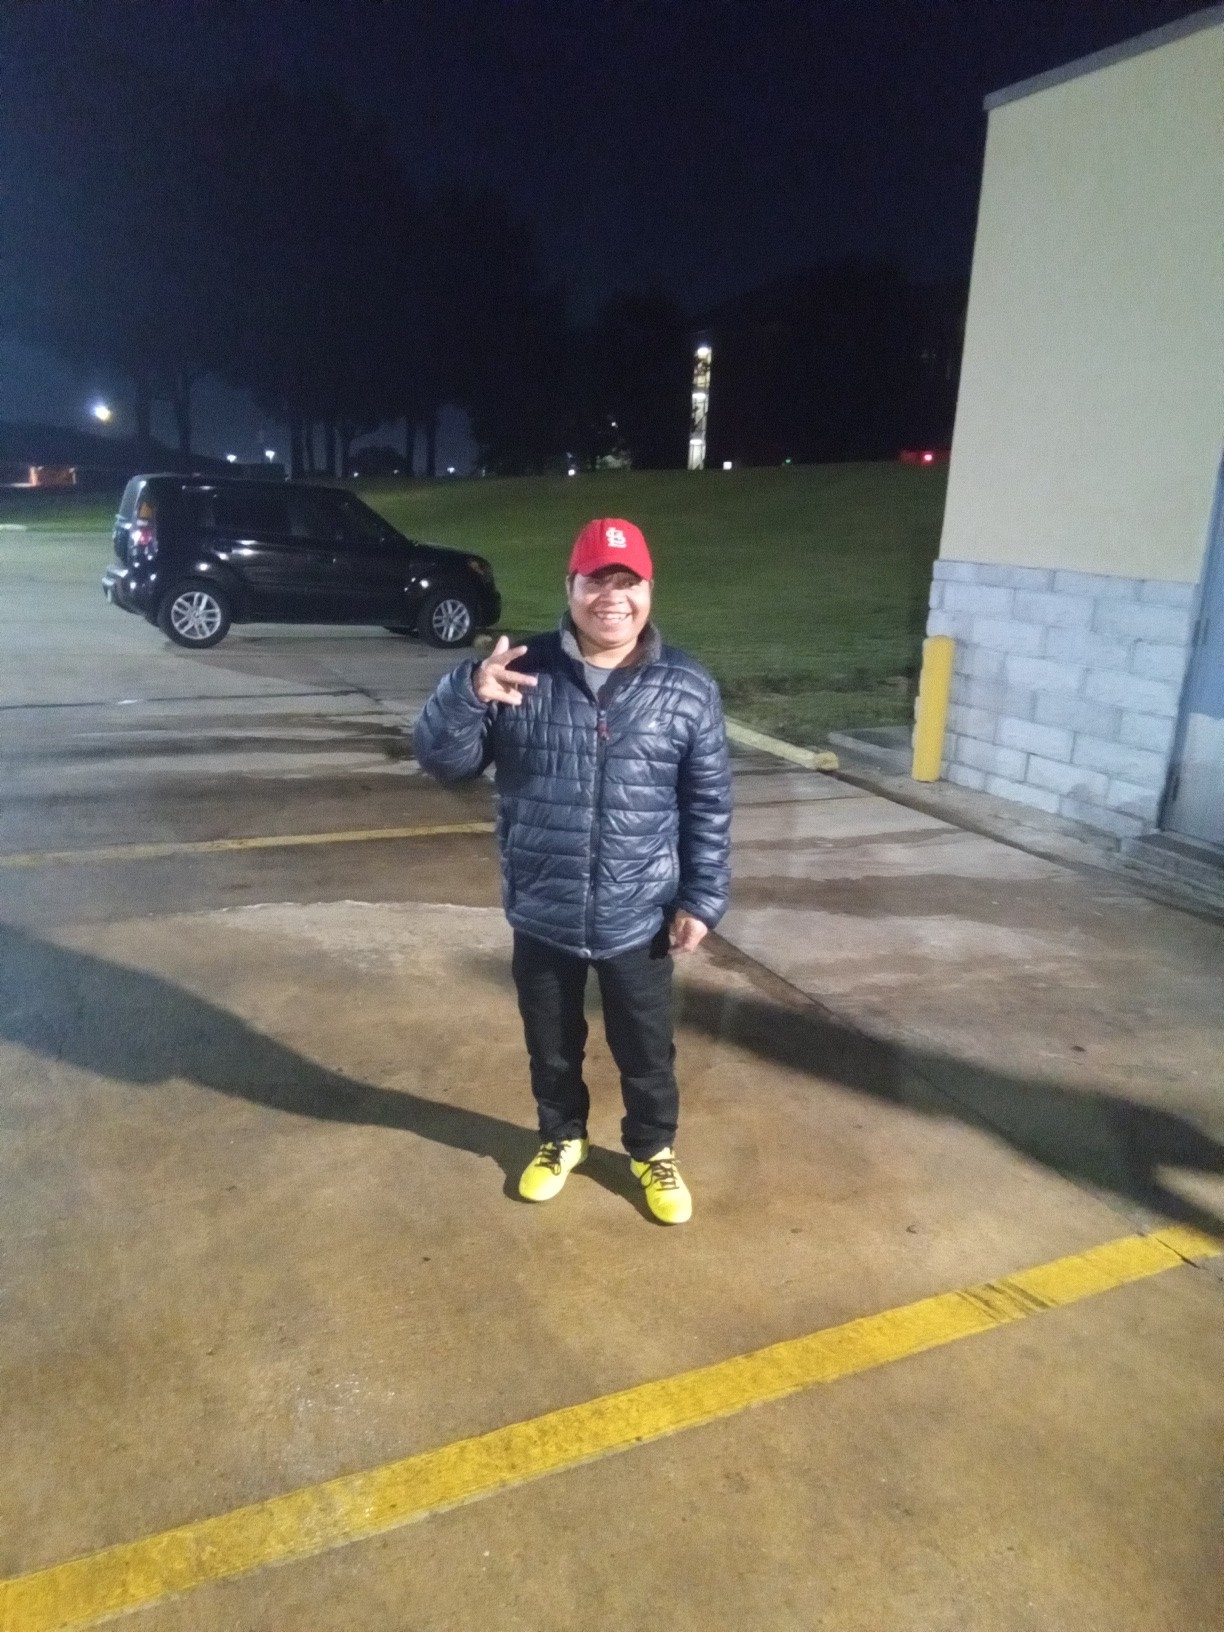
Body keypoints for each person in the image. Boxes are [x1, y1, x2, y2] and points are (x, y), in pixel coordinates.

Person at [413, 517, 732, 1223]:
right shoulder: (520, 670)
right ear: (571, 587)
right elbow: (443, 762)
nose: (612, 597)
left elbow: (707, 803)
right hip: (544, 907)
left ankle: (652, 1150)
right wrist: (467, 692)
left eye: (628, 582)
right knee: (552, 1048)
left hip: (639, 914)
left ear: (649, 590)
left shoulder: (686, 686)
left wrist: (703, 897)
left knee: (646, 1052)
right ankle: (562, 1138)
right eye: (597, 581)